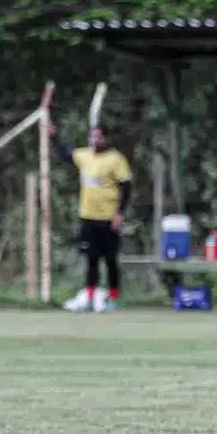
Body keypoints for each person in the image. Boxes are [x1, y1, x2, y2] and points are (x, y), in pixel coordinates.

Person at [51, 122, 132, 313]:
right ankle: (89, 297)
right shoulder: (84, 155)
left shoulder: (115, 159)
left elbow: (126, 187)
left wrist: (120, 213)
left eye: (98, 137)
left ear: (105, 138)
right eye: (92, 137)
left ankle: (113, 298)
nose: (94, 140)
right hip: (88, 217)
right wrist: (53, 136)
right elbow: (65, 154)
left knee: (111, 259)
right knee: (91, 259)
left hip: (108, 218)